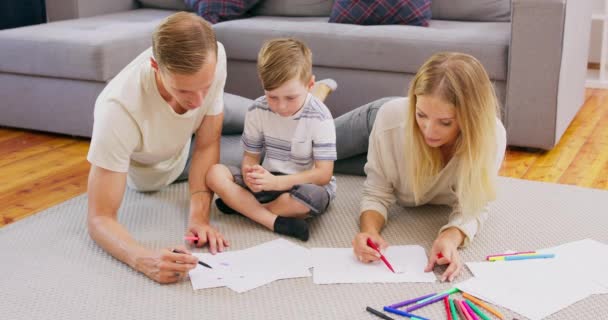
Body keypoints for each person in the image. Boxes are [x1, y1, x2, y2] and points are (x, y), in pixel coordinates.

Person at [86, 12, 228, 284]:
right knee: (275, 143)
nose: (198, 101)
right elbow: (99, 219)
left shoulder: (215, 57)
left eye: (205, 87)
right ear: (155, 66)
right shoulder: (117, 110)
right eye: (184, 90)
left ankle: (314, 105)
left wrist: (199, 218)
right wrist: (142, 259)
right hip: (165, 167)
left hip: (192, 135)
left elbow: (208, 143)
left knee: (276, 116)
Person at [349, 52, 507, 282]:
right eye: (421, 115)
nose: (429, 131)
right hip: (379, 124)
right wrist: (369, 231)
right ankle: (315, 97)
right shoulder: (392, 119)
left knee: (316, 162)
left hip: (388, 146)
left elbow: (475, 206)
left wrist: (451, 237)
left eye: (445, 122)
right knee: (301, 155)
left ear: (471, 118)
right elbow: (376, 192)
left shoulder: (491, 136)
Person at [206, 38, 337, 242]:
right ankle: (273, 221)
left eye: (290, 98)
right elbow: (250, 157)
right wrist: (250, 173)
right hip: (268, 180)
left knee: (311, 199)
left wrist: (278, 182)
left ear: (310, 85)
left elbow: (323, 175)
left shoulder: (320, 117)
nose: (281, 106)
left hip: (303, 184)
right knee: (215, 173)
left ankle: (242, 206)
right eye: (272, 97)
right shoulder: (257, 110)